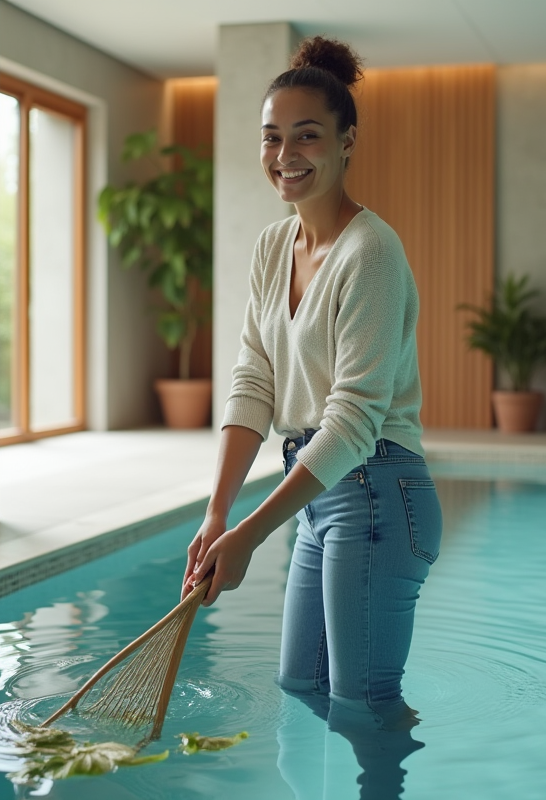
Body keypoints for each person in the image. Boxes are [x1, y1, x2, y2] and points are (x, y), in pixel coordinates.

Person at [183, 35, 442, 729]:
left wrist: (251, 534)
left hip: (380, 491)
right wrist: (217, 515)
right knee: (301, 687)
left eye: (307, 136)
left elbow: (355, 421)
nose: (285, 155)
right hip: (323, 494)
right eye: (272, 138)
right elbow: (252, 381)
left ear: (347, 141)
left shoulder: (372, 253)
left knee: (363, 706)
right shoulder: (274, 246)